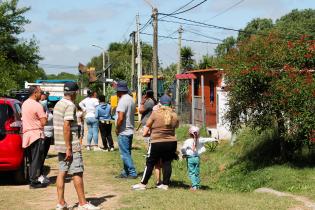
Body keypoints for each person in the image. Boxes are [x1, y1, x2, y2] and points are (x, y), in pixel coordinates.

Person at [54, 82, 100, 210]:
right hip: (71, 145)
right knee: (77, 172)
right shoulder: (70, 105)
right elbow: (67, 126)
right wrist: (69, 147)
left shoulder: (58, 104)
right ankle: (82, 203)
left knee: (62, 172)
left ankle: (61, 202)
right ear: (74, 92)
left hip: (60, 144)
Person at [132, 94, 179, 190]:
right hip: (171, 142)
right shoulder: (174, 115)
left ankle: (143, 184)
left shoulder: (155, 114)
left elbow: (145, 131)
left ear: (159, 104)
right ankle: (165, 184)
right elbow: (175, 128)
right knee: (167, 163)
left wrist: (150, 134)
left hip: (157, 142)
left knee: (150, 163)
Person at [21, 85, 48, 189]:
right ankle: (33, 181)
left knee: (31, 159)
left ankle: (32, 178)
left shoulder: (25, 104)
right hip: (36, 135)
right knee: (36, 159)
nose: (41, 94)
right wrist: (45, 116)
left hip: (27, 135)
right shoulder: (37, 105)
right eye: (40, 92)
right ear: (35, 93)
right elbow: (43, 122)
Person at [181, 126, 217, 191]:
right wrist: (214, 139)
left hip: (190, 159)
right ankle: (197, 186)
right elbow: (207, 139)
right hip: (197, 158)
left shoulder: (187, 141)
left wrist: (184, 154)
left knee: (191, 172)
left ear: (189, 133)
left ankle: (194, 186)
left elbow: (183, 148)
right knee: (196, 172)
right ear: (198, 133)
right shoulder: (200, 140)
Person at [115, 81, 137, 179]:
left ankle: (132, 173)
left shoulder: (122, 101)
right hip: (130, 129)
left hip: (123, 131)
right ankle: (125, 172)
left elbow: (120, 117)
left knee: (124, 153)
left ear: (119, 91)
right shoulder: (131, 99)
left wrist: (117, 128)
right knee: (126, 152)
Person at [139, 90, 161, 185]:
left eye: (144, 94)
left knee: (149, 141)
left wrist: (141, 102)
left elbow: (140, 110)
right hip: (149, 123)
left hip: (148, 124)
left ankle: (150, 154)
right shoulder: (153, 101)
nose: (143, 95)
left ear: (147, 95)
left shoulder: (149, 102)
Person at [38, 92, 53, 185]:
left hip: (49, 134)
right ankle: (39, 175)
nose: (44, 100)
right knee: (41, 156)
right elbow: (43, 120)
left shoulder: (45, 107)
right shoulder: (40, 107)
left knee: (43, 157)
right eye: (42, 99)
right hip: (44, 134)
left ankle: (41, 174)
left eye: (45, 99)